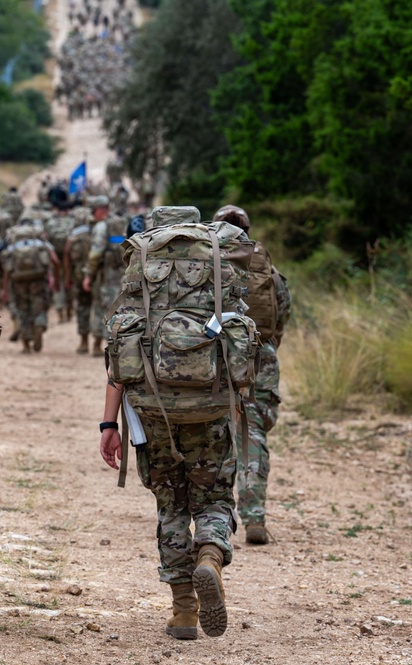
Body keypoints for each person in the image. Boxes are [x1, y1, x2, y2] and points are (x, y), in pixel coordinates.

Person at [98, 206, 251, 641]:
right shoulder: (218, 260)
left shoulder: (141, 265)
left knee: (171, 505)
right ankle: (209, 557)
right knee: (215, 497)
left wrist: (108, 424)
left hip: (152, 406)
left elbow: (118, 353)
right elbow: (242, 342)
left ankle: (184, 611)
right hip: (210, 406)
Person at [212, 205, 291, 545]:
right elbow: (281, 314)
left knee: (212, 431)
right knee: (253, 431)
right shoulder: (267, 268)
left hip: (215, 356)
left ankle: (212, 516)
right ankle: (254, 516)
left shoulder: (207, 261)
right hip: (261, 355)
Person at [0, 223, 60, 353]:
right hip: (39, 280)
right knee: (39, 307)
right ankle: (39, 325)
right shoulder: (41, 244)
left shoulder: (12, 246)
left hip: (18, 282)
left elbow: (6, 270)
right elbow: (55, 261)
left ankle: (26, 345)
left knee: (23, 311)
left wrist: (5, 289)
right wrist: (56, 281)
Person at [82, 195, 126, 356]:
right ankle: (113, 345)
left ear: (100, 210)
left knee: (101, 308)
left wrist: (88, 275)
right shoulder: (120, 223)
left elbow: (95, 253)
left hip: (104, 275)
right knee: (115, 309)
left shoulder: (101, 227)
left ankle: (97, 344)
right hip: (119, 275)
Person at [64, 206, 96, 353]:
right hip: (96, 276)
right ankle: (98, 342)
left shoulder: (72, 237)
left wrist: (67, 277)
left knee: (83, 307)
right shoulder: (97, 234)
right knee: (100, 309)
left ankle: (84, 342)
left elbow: (66, 257)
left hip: (78, 276)